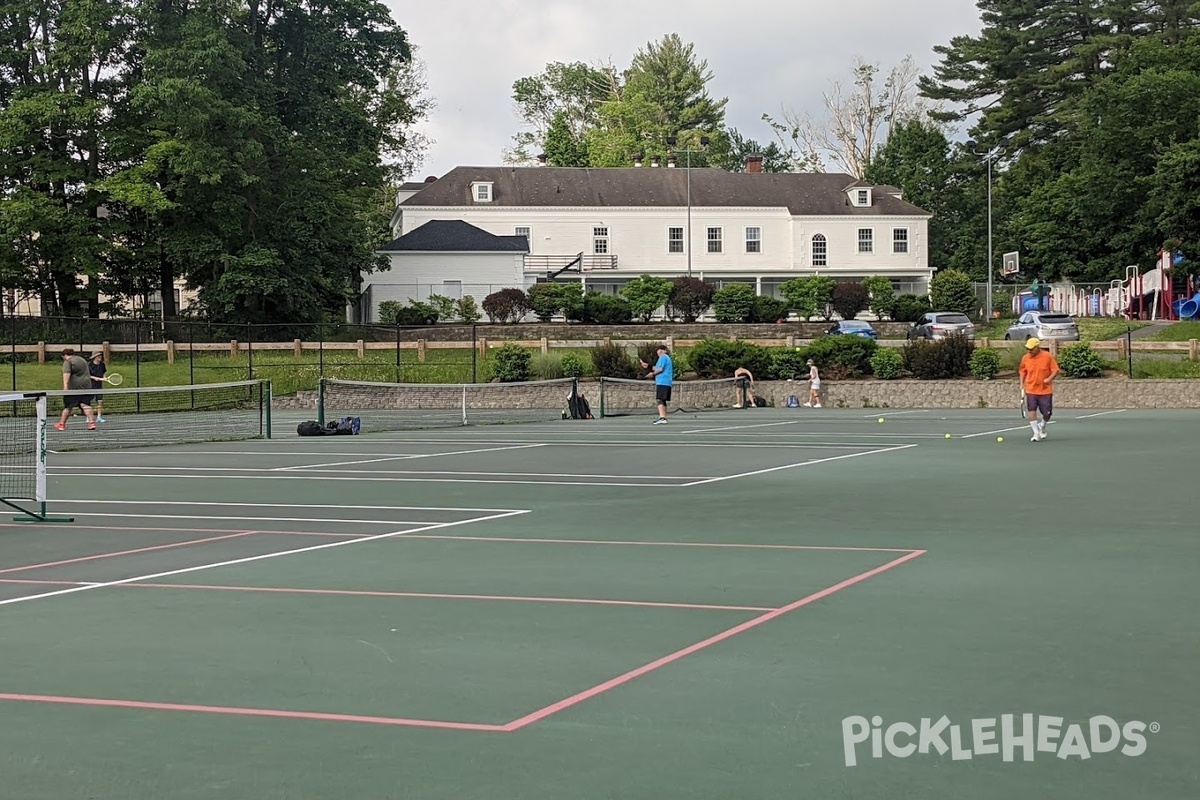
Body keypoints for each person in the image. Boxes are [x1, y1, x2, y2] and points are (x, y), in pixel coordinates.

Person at [1019, 337, 1059, 441]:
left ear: (1037, 347)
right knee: (1031, 410)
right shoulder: (1025, 358)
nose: (1029, 351)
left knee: (1047, 413)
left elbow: (1055, 370)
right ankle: (1036, 433)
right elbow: (1022, 371)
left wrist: (1049, 379)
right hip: (1031, 389)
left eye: (1031, 349)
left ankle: (1042, 426)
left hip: (1045, 390)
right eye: (1028, 349)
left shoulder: (1047, 356)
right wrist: (1021, 384)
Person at [56, 348, 97, 431]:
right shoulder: (82, 360)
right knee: (86, 405)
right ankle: (91, 423)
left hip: (74, 389)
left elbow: (66, 374)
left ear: (64, 355)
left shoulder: (68, 362)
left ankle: (61, 424)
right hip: (86, 387)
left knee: (68, 407)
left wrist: (65, 387)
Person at [646, 345, 673, 424]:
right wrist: (648, 366)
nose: (660, 351)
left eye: (662, 349)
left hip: (663, 381)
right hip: (665, 382)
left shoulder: (663, 357)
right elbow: (657, 368)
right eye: (659, 350)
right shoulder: (663, 359)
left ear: (665, 351)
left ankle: (662, 418)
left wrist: (652, 374)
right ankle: (663, 418)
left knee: (659, 399)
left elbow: (660, 370)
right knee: (662, 400)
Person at [89, 352, 108, 422]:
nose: (100, 357)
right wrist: (95, 378)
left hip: (99, 386)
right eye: (98, 356)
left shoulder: (102, 365)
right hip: (90, 386)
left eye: (100, 356)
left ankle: (99, 417)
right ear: (95, 357)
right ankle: (89, 417)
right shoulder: (89, 365)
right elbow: (88, 375)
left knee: (99, 401)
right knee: (89, 401)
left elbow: (104, 372)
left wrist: (104, 377)